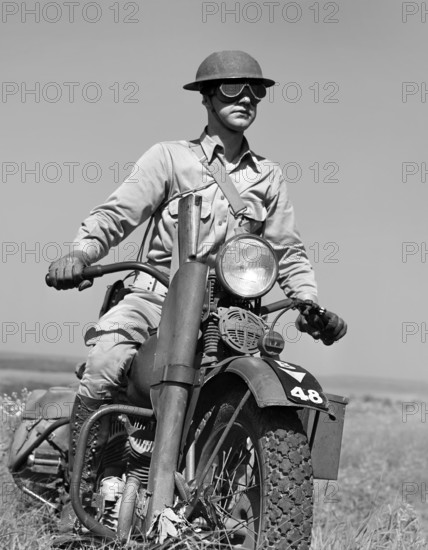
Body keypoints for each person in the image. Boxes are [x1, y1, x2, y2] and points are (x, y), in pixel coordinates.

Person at [49, 50, 347, 528]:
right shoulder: (170, 157)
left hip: (231, 313)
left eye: (256, 90)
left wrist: (309, 301)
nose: (246, 98)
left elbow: (287, 251)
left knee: (278, 387)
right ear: (207, 97)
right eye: (232, 88)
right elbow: (115, 214)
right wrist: (81, 253)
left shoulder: (268, 177)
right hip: (156, 297)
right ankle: (78, 499)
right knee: (105, 361)